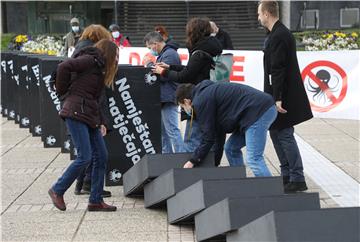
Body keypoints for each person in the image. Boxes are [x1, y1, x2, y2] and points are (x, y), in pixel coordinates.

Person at [48, 39, 119, 212]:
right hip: (76, 112)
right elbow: (64, 67)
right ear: (108, 53)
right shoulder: (90, 60)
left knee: (101, 155)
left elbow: (97, 99)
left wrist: (102, 121)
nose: (117, 58)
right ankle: (57, 190)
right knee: (85, 157)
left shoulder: (99, 69)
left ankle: (95, 200)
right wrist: (63, 91)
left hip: (89, 114)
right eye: (116, 55)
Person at [258, 1, 313, 193]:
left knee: (284, 134)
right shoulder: (276, 34)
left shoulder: (279, 35)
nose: (258, 18)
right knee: (276, 132)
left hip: (282, 95)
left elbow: (278, 69)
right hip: (277, 93)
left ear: (266, 13)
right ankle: (287, 174)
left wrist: (277, 97)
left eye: (259, 14)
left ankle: (296, 177)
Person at [152, 17, 223, 152]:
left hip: (199, 98)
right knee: (205, 137)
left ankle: (187, 168)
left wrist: (163, 72)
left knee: (191, 139)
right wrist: (170, 66)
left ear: (194, 32)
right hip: (210, 94)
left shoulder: (199, 52)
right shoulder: (208, 48)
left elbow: (184, 76)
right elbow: (192, 69)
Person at [176, 81, 277, 174]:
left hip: (258, 112)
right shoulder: (206, 94)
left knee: (254, 159)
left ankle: (272, 192)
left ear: (186, 101)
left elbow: (208, 138)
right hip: (254, 113)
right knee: (231, 148)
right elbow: (218, 134)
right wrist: (215, 163)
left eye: (183, 107)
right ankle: (241, 184)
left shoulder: (201, 102)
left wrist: (193, 161)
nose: (185, 110)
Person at [70, 24, 113, 197]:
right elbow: (96, 89)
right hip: (86, 106)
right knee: (96, 151)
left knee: (85, 150)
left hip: (77, 105)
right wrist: (102, 118)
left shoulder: (80, 49)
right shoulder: (91, 54)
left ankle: (80, 185)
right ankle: (89, 184)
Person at [143, 31, 186, 154]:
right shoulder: (165, 53)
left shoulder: (170, 54)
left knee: (172, 130)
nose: (150, 50)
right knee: (164, 133)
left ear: (155, 44)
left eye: (150, 47)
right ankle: (166, 158)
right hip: (164, 97)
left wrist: (149, 64)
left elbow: (164, 76)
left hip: (168, 97)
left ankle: (180, 156)